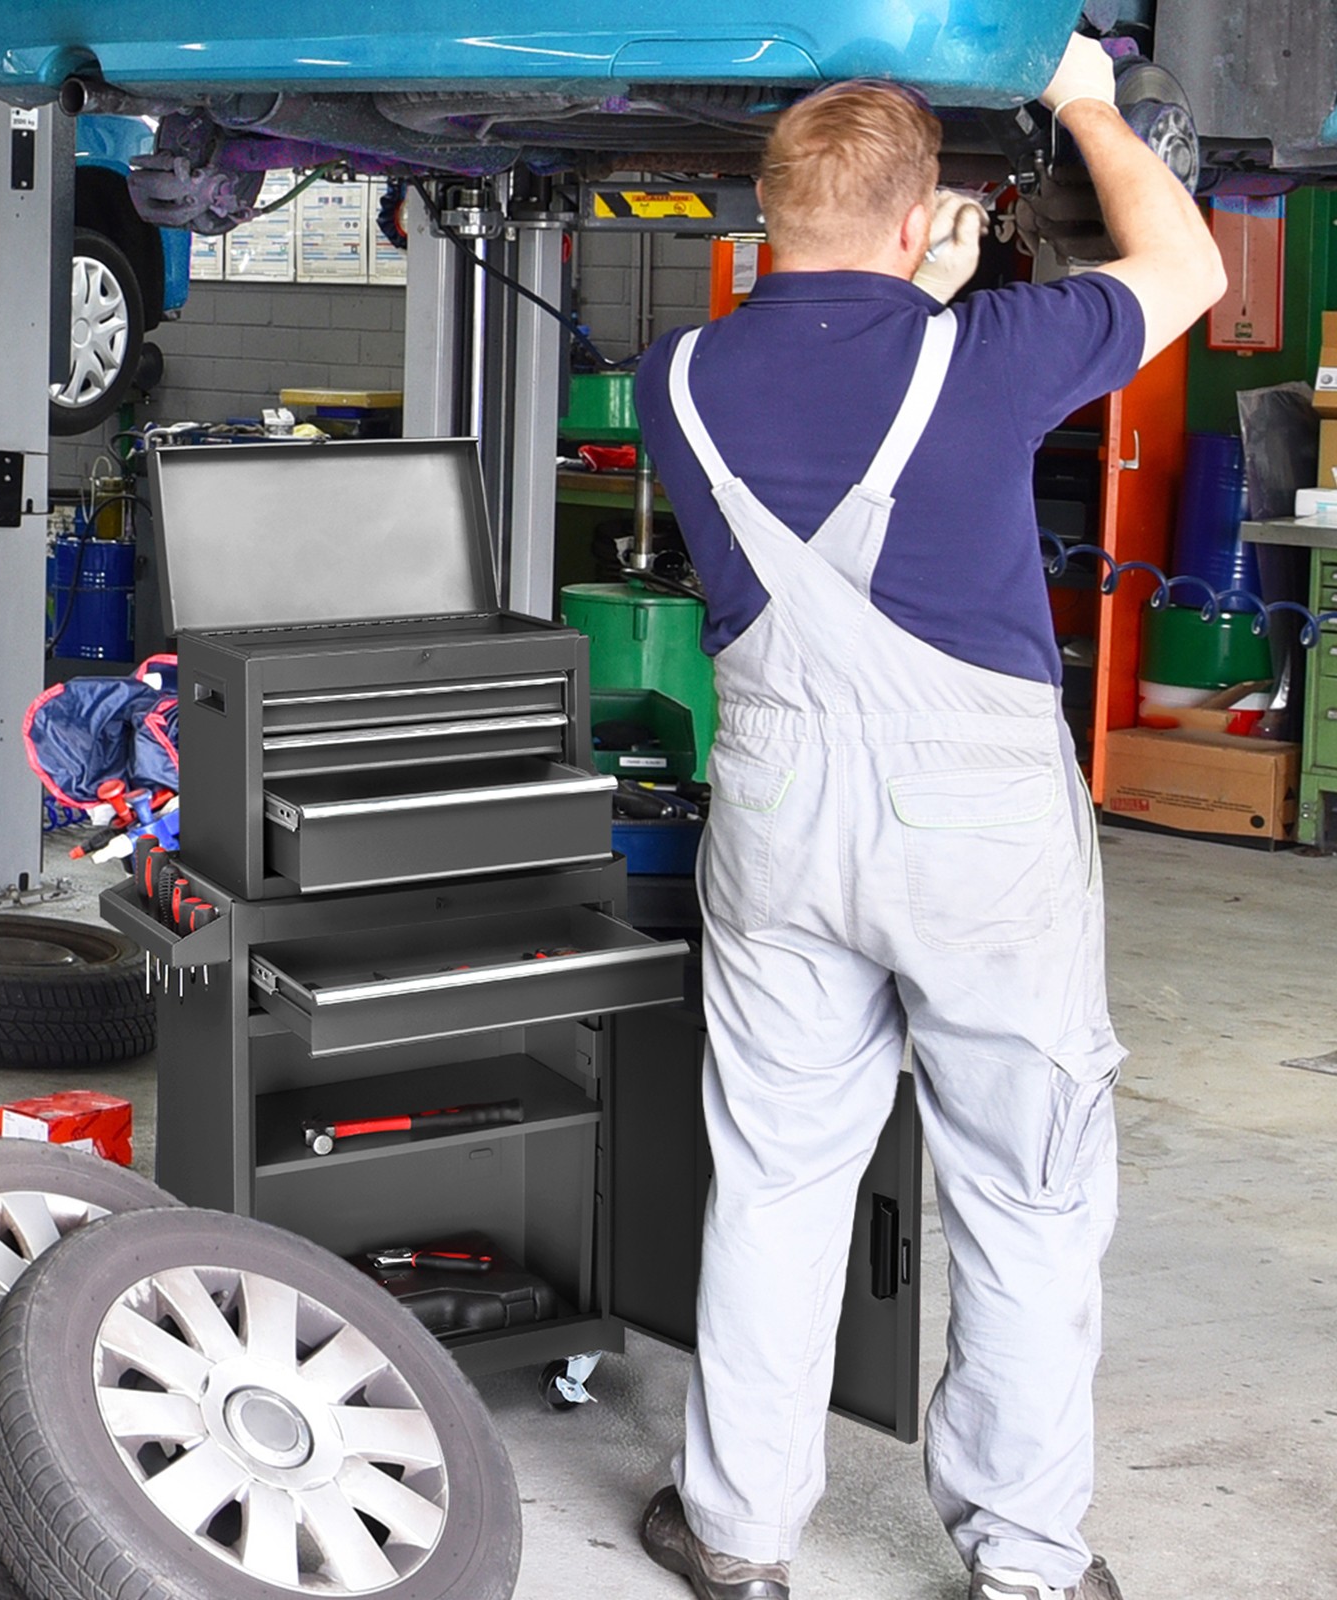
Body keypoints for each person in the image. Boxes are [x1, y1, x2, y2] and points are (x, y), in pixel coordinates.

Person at [630, 33, 1226, 1600]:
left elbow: (831, 384)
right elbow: (1188, 265)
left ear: (764, 221)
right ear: (919, 222)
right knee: (1024, 1190)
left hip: (777, 810)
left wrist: (922, 296)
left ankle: (738, 1533)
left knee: (777, 1173)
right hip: (975, 833)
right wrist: (1084, 97)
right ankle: (1024, 1561)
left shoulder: (675, 377)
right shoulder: (988, 356)